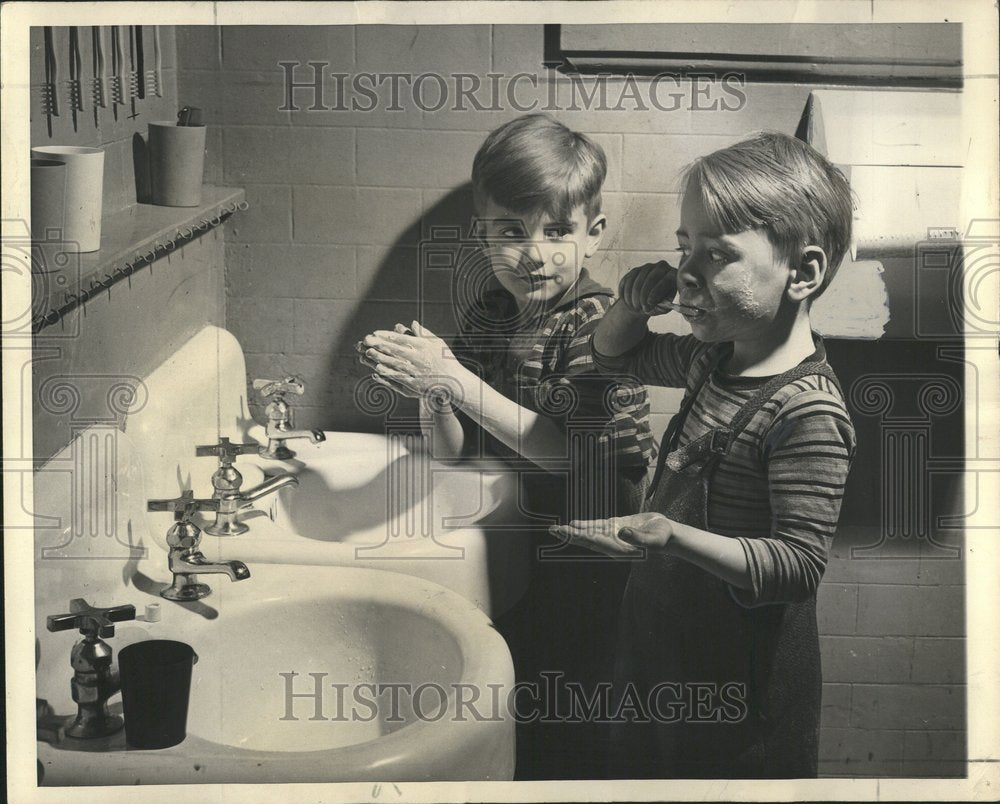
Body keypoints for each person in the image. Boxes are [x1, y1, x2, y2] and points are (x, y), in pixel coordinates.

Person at [551, 131, 858, 779]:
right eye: (683, 246)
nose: (686, 274)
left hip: (741, 695)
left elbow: (796, 567)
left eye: (717, 254)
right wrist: (632, 307)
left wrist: (669, 536)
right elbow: (611, 357)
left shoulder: (805, 410)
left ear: (803, 272)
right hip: (667, 649)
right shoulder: (712, 361)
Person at [358, 114, 655, 779]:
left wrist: (454, 378)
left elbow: (566, 454)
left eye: (557, 231)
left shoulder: (596, 323)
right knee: (531, 692)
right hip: (534, 525)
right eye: (511, 232)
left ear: (593, 234)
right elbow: (452, 452)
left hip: (602, 532)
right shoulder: (493, 312)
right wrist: (430, 389)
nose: (535, 254)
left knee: (581, 701)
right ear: (482, 237)